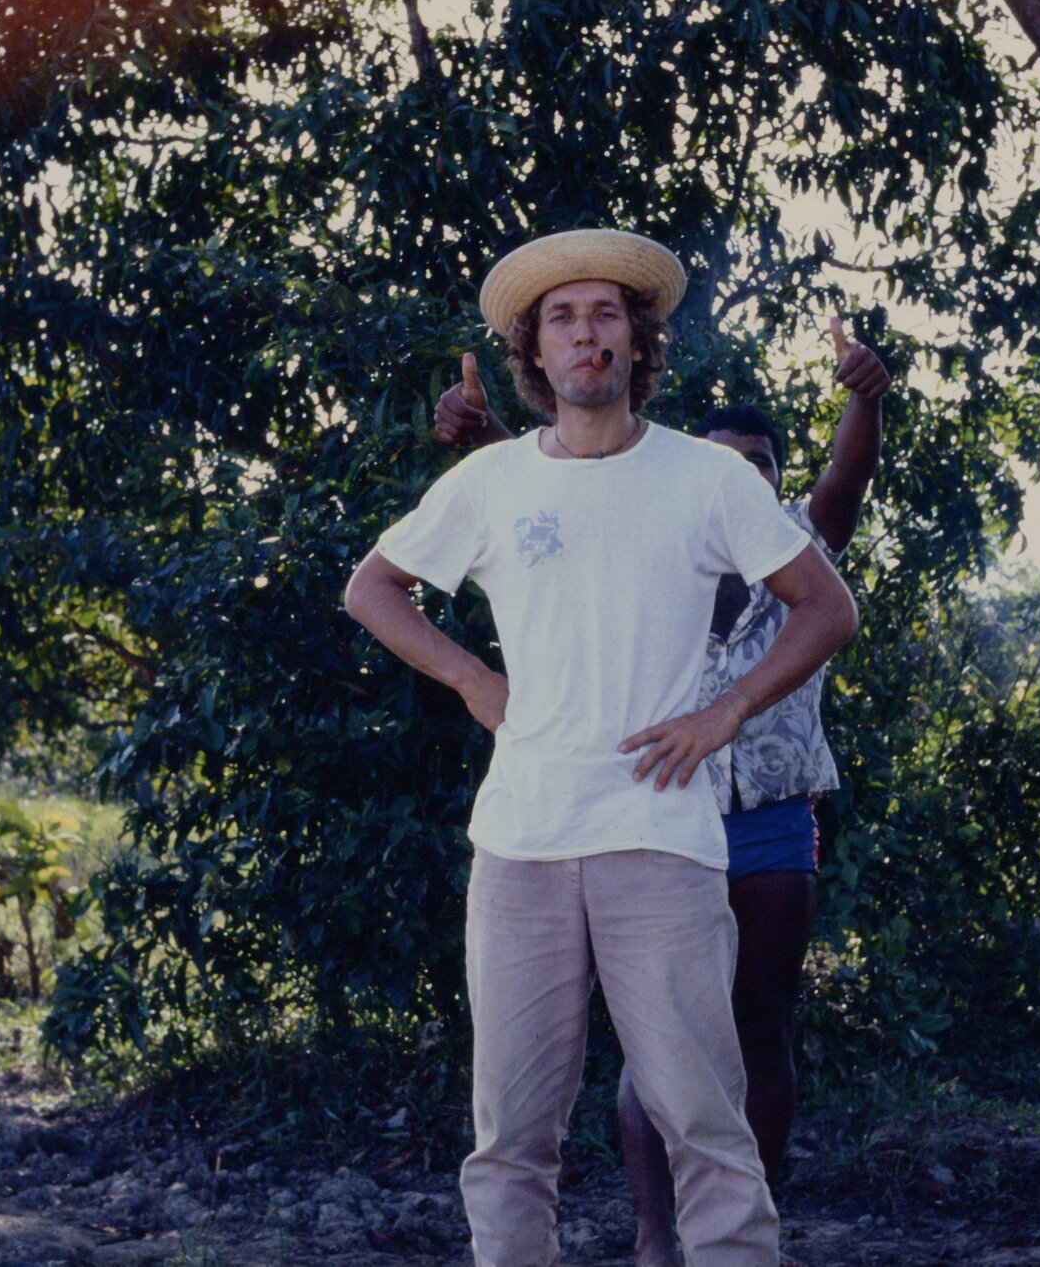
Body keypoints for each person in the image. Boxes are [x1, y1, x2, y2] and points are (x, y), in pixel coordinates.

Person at [344, 228, 859, 1267]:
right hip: (521, 842)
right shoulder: (489, 482)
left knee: (705, 1127)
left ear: (636, 341)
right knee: (510, 1140)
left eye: (606, 314)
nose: (586, 333)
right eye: (563, 317)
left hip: (659, 838)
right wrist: (470, 677)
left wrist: (726, 713)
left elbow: (825, 608)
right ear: (534, 353)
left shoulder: (706, 480)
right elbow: (370, 587)